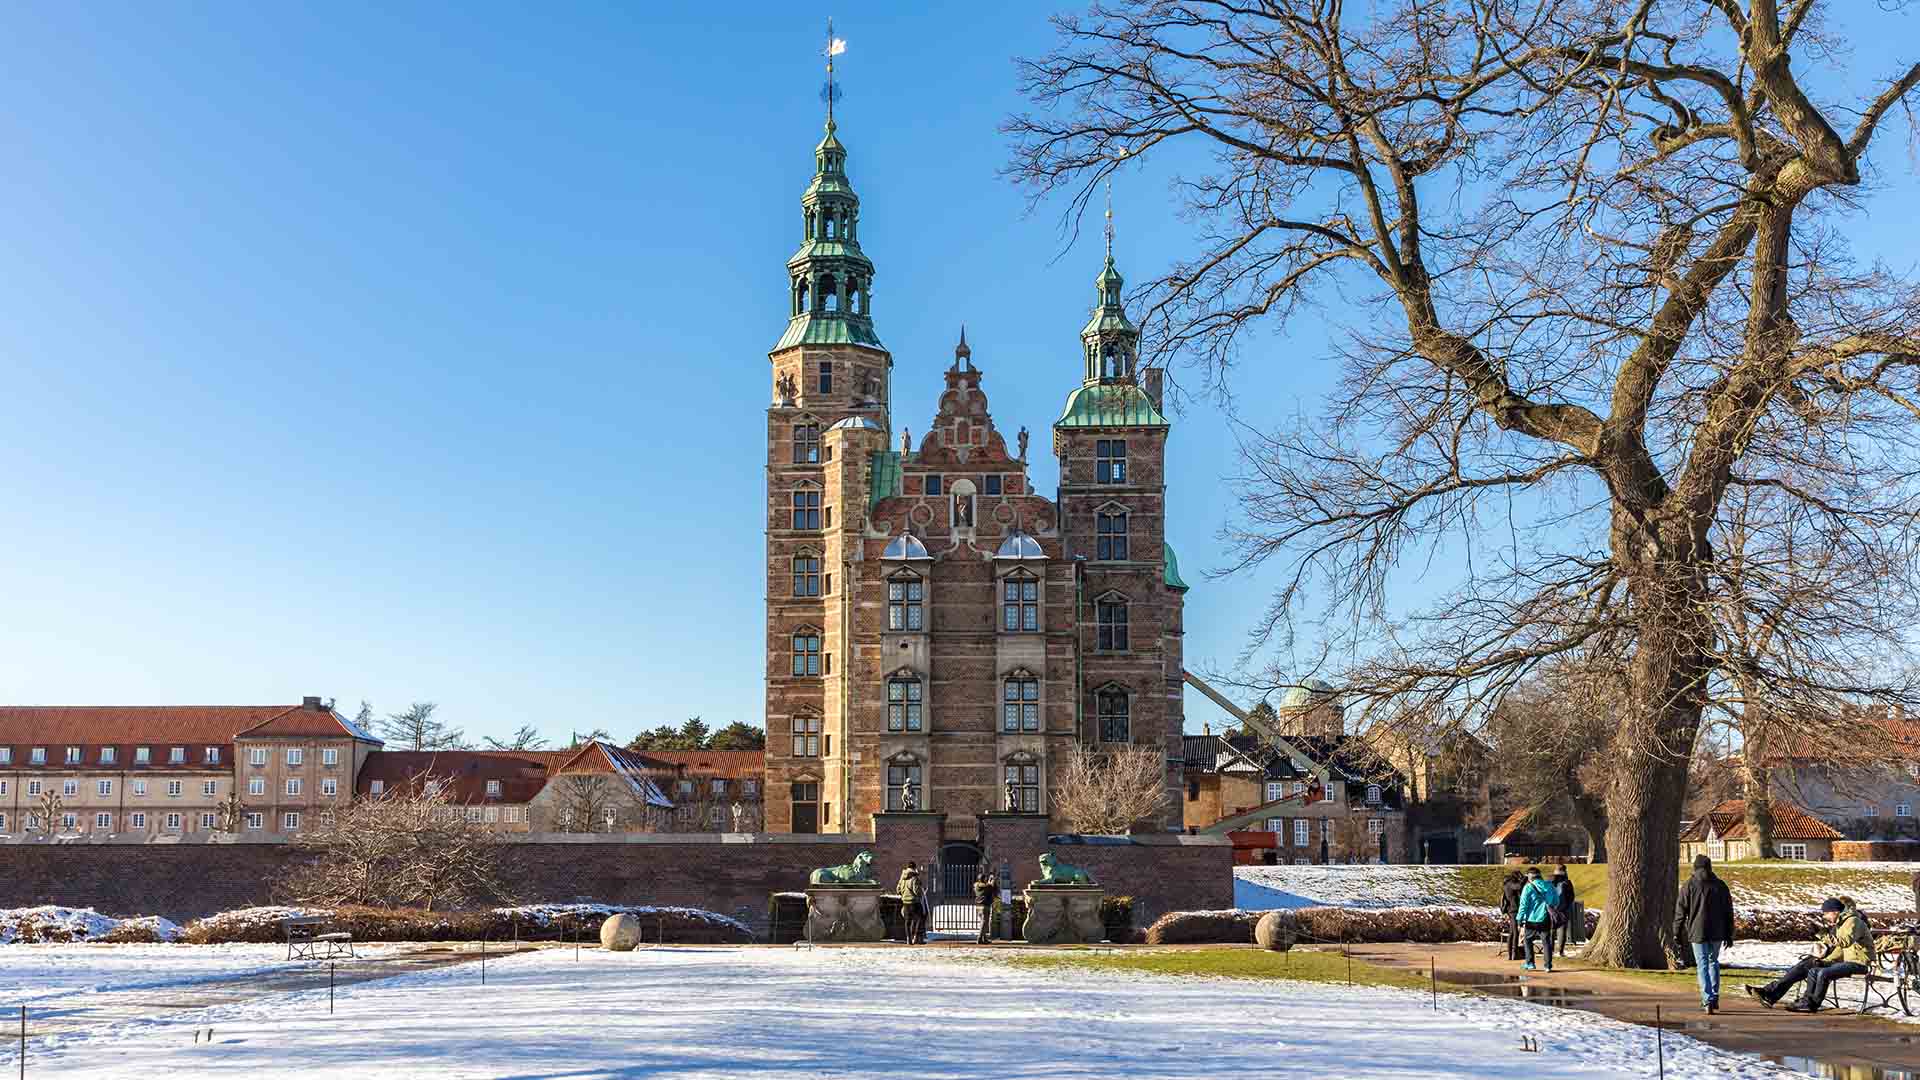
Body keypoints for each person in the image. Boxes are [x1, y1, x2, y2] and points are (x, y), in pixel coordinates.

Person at [1743, 897, 1874, 1012]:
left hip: (1857, 962)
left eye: (1826, 913)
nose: (1825, 917)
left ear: (1836, 911)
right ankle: (1772, 994)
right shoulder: (1841, 923)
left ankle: (1779, 996)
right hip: (1842, 960)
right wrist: (1823, 959)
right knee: (1806, 964)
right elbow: (1840, 949)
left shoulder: (1852, 922)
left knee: (1818, 970)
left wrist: (1826, 940)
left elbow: (1845, 943)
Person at [1673, 854, 1736, 1013]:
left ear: (1695, 868)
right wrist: (1729, 933)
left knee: (1702, 965)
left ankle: (1707, 999)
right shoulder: (1720, 886)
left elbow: (1681, 912)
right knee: (1713, 961)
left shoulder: (1689, 885)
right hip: (1717, 931)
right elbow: (1728, 912)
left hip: (1697, 930)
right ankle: (1714, 997)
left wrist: (1677, 932)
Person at [1515, 866, 1559, 972]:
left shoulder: (1528, 887)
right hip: (1546, 918)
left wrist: (1519, 918)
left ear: (1530, 877)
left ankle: (1530, 963)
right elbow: (1556, 901)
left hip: (1532, 919)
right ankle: (1548, 966)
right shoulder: (1549, 885)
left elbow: (1523, 905)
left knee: (1527, 940)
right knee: (1546, 942)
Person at [1499, 869, 1527, 961]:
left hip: (1511, 910)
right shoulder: (1510, 883)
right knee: (1515, 933)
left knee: (1512, 933)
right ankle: (1514, 954)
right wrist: (1525, 878)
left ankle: (1511, 954)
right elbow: (1519, 886)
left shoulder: (1507, 883)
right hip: (1514, 910)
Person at [1551, 866, 1578, 955]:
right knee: (1562, 930)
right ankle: (1560, 951)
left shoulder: (1550, 881)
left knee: (1551, 930)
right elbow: (1571, 897)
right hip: (1563, 910)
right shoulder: (1567, 882)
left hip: (1551, 910)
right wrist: (1566, 906)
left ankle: (1549, 950)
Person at [898, 862, 926, 945]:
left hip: (905, 902)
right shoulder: (914, 877)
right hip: (914, 902)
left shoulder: (902, 878)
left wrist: (903, 894)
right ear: (914, 868)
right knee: (921, 917)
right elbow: (916, 891)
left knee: (908, 921)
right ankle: (917, 937)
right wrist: (920, 890)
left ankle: (908, 939)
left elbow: (898, 889)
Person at [974, 867, 999, 944]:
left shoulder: (977, 885)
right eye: (985, 879)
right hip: (984, 906)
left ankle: (984, 939)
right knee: (984, 923)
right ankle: (979, 938)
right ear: (983, 879)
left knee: (984, 922)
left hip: (978, 906)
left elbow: (989, 887)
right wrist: (993, 879)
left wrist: (990, 880)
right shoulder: (984, 886)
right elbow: (991, 886)